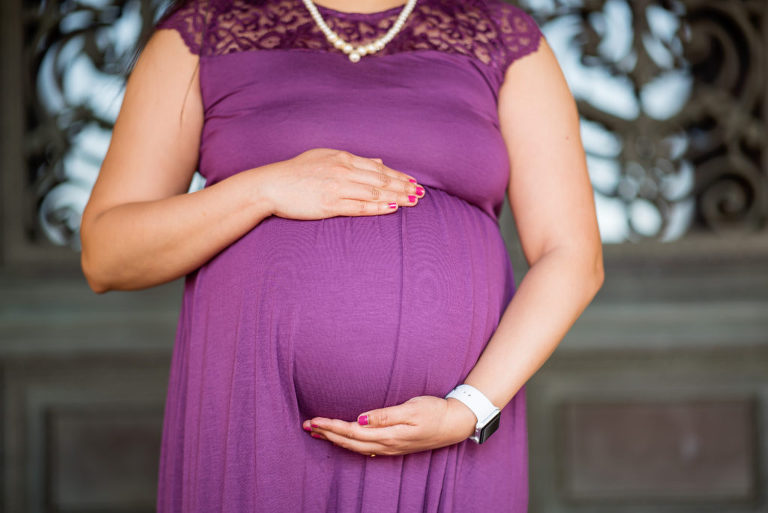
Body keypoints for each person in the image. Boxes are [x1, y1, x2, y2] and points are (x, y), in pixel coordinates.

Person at [79, 0, 603, 510]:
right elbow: (106, 255)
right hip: (253, 431)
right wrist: (265, 188)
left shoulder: (501, 34)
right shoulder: (204, 30)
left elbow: (571, 254)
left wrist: (471, 408)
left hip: (451, 438)